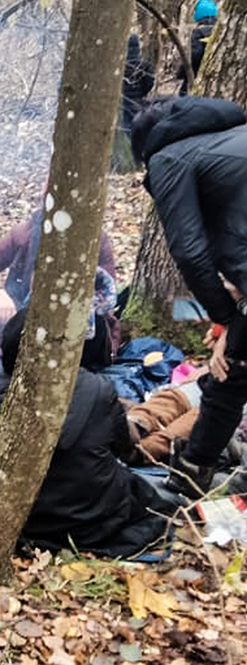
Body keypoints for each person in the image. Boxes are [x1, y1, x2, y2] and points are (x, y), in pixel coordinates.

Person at [0, 310, 171, 556]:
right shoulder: (97, 388)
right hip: (91, 519)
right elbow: (122, 449)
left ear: (7, 349)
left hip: (13, 519)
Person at [131, 96, 247, 496]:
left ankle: (191, 472)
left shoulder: (169, 158)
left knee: (231, 370)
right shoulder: (232, 138)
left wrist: (228, 319)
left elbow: (190, 252)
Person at [0, 208, 119, 353]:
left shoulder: (94, 238)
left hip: (81, 337)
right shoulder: (24, 234)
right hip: (22, 329)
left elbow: (107, 293)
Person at [178, 0, 218, 96]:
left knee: (183, 96)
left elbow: (194, 55)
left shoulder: (199, 33)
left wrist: (181, 72)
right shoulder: (220, 32)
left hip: (197, 75)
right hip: (215, 75)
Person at [120, 34, 155, 134]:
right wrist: (143, 93)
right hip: (139, 100)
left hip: (124, 100)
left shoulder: (121, 66)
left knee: (126, 125)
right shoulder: (144, 65)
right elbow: (149, 83)